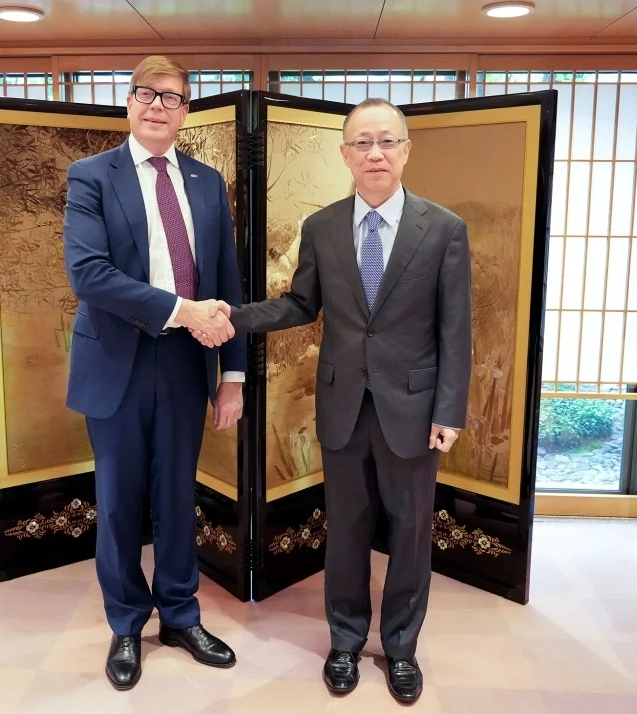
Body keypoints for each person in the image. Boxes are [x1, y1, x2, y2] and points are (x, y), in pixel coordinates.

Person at [198, 97, 472, 704]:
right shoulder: (321, 226)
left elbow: (457, 327)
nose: (374, 153)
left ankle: (401, 648)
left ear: (406, 149)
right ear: (344, 152)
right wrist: (232, 317)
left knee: (410, 531)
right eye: (361, 143)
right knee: (345, 530)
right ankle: (345, 641)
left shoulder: (445, 228)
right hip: (343, 404)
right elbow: (301, 304)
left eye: (386, 142)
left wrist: (450, 411)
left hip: (415, 408)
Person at [62, 54, 245, 691]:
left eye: (171, 97)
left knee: (176, 495)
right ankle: (126, 623)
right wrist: (180, 309)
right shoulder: (91, 176)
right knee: (116, 502)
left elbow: (228, 282)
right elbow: (88, 274)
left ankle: (180, 614)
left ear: (186, 110)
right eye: (146, 94)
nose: (157, 106)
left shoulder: (206, 181)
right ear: (129, 102)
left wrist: (234, 375)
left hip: (187, 363)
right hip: (117, 360)